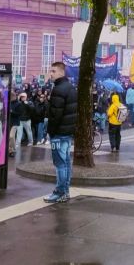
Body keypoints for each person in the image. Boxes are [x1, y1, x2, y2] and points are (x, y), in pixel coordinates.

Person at [44, 62, 77, 203]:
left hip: (58, 133)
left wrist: (50, 131)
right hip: (67, 132)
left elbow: (55, 115)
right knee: (66, 162)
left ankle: (60, 192)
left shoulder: (58, 90)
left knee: (60, 164)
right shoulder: (71, 88)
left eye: (53, 71)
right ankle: (65, 191)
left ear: (61, 72)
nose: (50, 73)